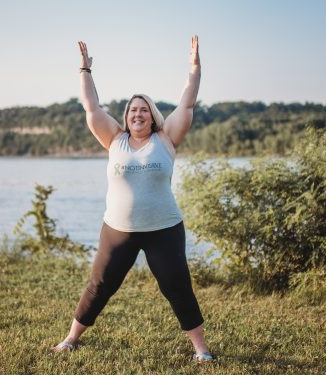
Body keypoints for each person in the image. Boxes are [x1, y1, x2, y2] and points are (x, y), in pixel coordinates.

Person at [51, 36, 213, 362]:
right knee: (99, 286)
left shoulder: (166, 138)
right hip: (118, 230)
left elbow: (187, 105)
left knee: (177, 287)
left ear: (152, 116)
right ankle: (71, 338)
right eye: (132, 110)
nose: (137, 114)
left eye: (143, 110)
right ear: (126, 117)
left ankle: (201, 350)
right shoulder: (114, 139)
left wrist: (194, 68)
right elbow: (91, 106)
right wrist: (85, 69)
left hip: (164, 229)